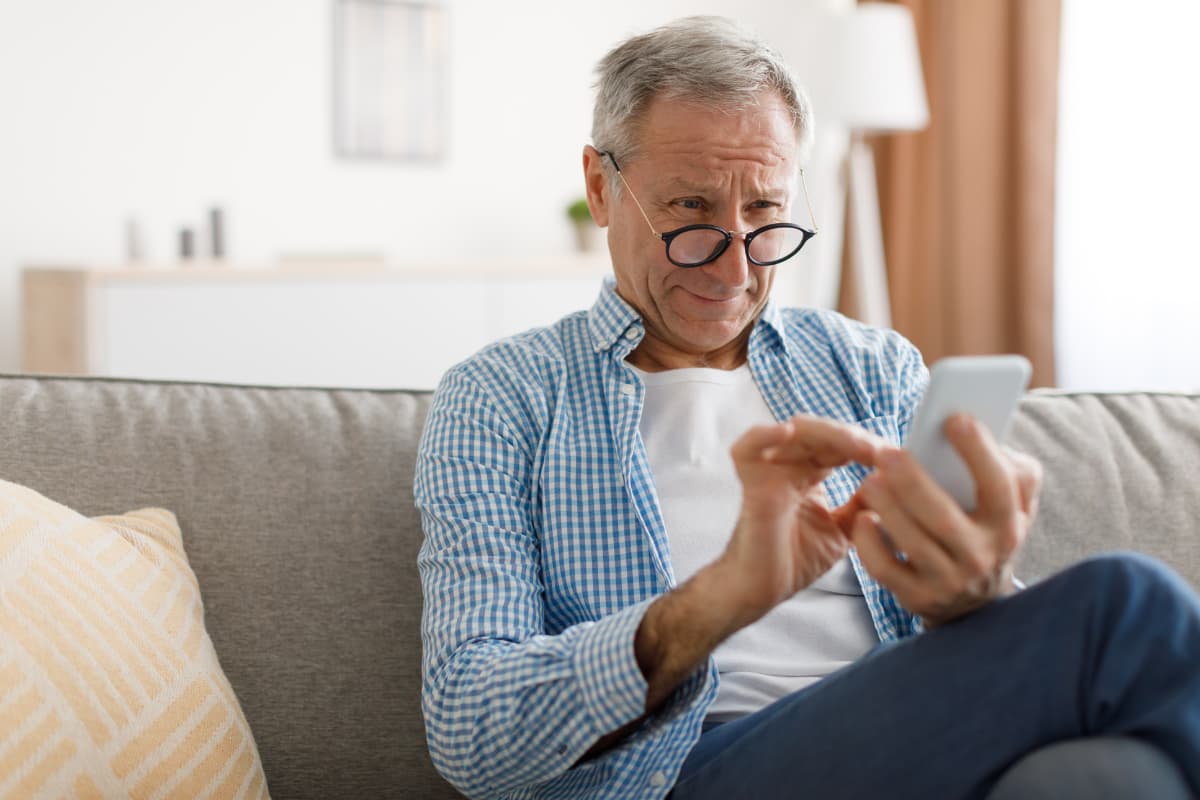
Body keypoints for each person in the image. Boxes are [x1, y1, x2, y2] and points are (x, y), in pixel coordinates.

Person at [414, 16, 1200, 800]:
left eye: (762, 213)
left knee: (1112, 775)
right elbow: (470, 727)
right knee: (1127, 602)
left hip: (917, 746)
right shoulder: (503, 398)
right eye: (690, 209)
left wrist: (979, 595)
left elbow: (980, 656)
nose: (731, 266)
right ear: (601, 187)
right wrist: (724, 596)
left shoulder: (873, 367)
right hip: (683, 774)